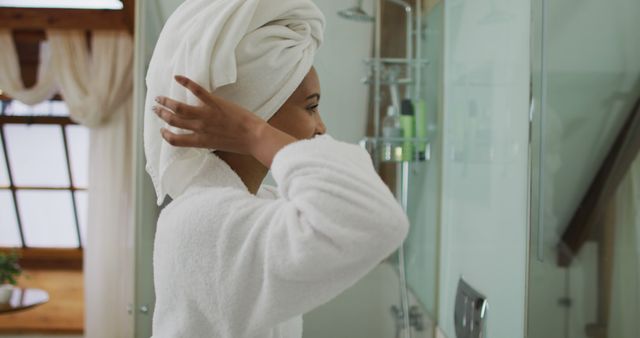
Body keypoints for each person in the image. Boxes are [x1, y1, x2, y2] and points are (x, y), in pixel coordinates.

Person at [144, 1, 409, 337]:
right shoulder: (201, 222)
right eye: (311, 107)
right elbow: (377, 220)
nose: (321, 127)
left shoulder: (258, 204)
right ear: (256, 109)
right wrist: (254, 133)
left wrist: (255, 132)